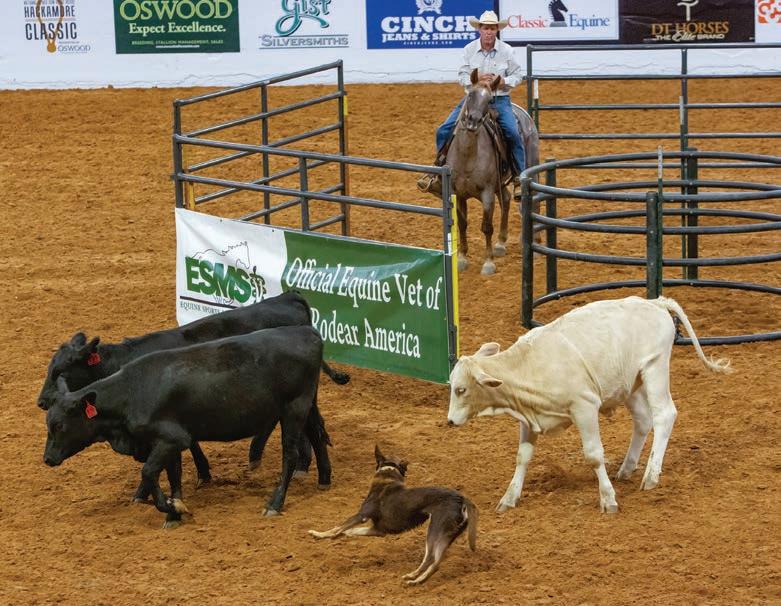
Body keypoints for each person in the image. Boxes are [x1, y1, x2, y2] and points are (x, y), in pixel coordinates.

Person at [417, 10, 525, 196]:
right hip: (473, 99)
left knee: (513, 133)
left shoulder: (507, 51)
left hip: (498, 99)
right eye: (485, 28)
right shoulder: (469, 50)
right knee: (443, 130)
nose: (489, 32)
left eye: (492, 28)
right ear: (480, 29)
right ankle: (438, 172)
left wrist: (503, 81)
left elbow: (518, 75)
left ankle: (519, 178)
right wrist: (475, 80)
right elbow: (462, 75)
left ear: (497, 30)